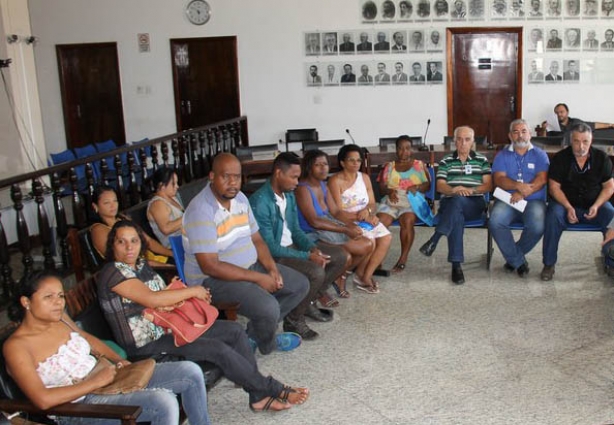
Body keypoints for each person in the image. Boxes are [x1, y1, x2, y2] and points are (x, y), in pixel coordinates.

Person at [98, 221, 309, 412]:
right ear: (112, 246)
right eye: (121, 242)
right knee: (217, 349)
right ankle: (271, 388)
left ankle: (257, 395)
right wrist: (192, 291)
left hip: (173, 327)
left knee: (234, 331)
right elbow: (152, 299)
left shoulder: (141, 266)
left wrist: (181, 299)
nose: (129, 247)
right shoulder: (112, 273)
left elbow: (163, 298)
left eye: (134, 241)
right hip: (147, 344)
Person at [3, 270, 211, 425]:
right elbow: (42, 400)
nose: (58, 303)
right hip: (76, 407)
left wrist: (120, 361)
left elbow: (86, 338)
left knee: (190, 371)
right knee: (163, 403)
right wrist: (93, 383)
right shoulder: (17, 346)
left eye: (60, 296)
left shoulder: (60, 320)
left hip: (105, 378)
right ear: (26, 302)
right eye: (48, 297)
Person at [182, 153, 310, 355]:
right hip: (212, 281)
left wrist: (271, 269)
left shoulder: (240, 199)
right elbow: (211, 266)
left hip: (249, 267)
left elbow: (257, 239)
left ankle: (253, 335)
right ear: (212, 176)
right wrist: (259, 278)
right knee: (269, 308)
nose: (233, 183)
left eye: (237, 176)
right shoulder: (201, 210)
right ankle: (267, 345)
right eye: (226, 176)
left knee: (299, 285)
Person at [250, 153, 347, 339]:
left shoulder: (289, 195)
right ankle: (294, 320)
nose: (297, 182)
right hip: (274, 255)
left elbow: (295, 230)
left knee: (339, 257)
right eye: (294, 177)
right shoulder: (261, 201)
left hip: (292, 246)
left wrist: (311, 248)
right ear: (278, 173)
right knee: (316, 271)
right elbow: (269, 247)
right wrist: (308, 257)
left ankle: (307, 302)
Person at [295, 150, 373, 299]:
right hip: (312, 233)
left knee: (367, 244)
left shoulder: (323, 185)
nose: (323, 168)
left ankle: (338, 277)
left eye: (325, 164)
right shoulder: (303, 189)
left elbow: (336, 211)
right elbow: (314, 221)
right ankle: (322, 289)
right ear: (308, 167)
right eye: (318, 165)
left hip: (328, 226)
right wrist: (344, 229)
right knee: (352, 253)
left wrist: (351, 225)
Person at [540, 123, 614, 281]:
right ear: (570, 141)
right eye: (576, 141)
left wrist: (596, 205)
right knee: (553, 216)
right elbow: (554, 188)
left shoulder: (602, 158)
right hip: (564, 204)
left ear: (591, 141)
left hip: (595, 205)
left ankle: (611, 262)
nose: (581, 146)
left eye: (585, 141)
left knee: (611, 215)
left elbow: (609, 187)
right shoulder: (560, 158)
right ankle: (549, 264)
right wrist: (568, 206)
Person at [419, 126, 492, 285]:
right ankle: (456, 265)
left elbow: (487, 186)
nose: (463, 143)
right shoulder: (446, 161)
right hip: (450, 201)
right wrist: (453, 190)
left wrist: (470, 190)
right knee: (456, 211)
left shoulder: (482, 160)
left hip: (474, 203)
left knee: (457, 204)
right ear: (454, 141)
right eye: (459, 139)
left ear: (472, 141)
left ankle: (436, 240)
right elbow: (440, 186)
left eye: (467, 139)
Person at [489, 119, 549, 278]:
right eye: (516, 132)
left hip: (533, 200)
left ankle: (513, 258)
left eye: (524, 131)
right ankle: (518, 260)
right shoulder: (502, 155)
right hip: (507, 199)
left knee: (537, 225)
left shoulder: (540, 154)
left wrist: (522, 192)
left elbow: (542, 179)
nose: (520, 135)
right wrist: (517, 186)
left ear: (530, 134)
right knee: (495, 221)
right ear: (510, 136)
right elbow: (499, 180)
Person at [328, 145, 392, 294]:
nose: (356, 163)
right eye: (351, 160)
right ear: (342, 163)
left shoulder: (364, 177)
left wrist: (368, 212)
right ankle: (359, 273)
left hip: (366, 218)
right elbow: (337, 211)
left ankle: (364, 276)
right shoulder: (335, 181)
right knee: (371, 240)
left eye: (358, 160)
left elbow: (371, 203)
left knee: (386, 237)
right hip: (346, 221)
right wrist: (361, 216)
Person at [376, 135, 431, 273]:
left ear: (411, 149)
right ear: (396, 150)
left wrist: (417, 187)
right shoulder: (389, 166)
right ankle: (377, 259)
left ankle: (403, 258)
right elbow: (381, 188)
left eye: (407, 148)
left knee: (407, 221)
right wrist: (389, 191)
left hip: (410, 202)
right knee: (380, 223)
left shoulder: (419, 165)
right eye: (400, 148)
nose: (403, 152)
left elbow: (428, 185)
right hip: (391, 201)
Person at [90, 185, 173, 266]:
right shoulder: (98, 229)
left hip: (154, 260)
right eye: (107, 203)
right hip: (137, 269)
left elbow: (148, 241)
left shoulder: (123, 219)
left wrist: (172, 254)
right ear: (95, 206)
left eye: (115, 201)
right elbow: (121, 259)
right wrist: (163, 266)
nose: (113, 206)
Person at [147, 167, 184, 249]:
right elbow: (166, 229)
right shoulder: (157, 203)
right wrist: (189, 215)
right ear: (162, 186)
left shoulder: (173, 197)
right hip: (176, 246)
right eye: (173, 184)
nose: (177, 186)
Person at [539, 103, 614, 143]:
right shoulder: (552, 125)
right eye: (557, 113)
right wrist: (543, 129)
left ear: (567, 112)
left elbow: (592, 125)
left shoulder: (575, 122)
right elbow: (544, 141)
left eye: (561, 112)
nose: (559, 114)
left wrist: (610, 125)